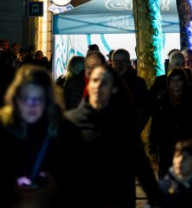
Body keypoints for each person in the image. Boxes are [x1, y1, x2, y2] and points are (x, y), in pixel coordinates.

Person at [66, 64, 163, 208]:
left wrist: (156, 198)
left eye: (104, 82)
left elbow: (141, 165)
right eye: (95, 80)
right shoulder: (72, 122)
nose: (98, 86)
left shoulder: (123, 124)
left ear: (113, 89)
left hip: (117, 198)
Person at [0, 65, 84, 207]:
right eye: (26, 99)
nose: (31, 106)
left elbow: (77, 184)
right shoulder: (4, 129)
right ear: (16, 99)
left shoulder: (65, 133)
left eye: (38, 99)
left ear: (48, 101)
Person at [149, 68, 192, 175]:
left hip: (187, 147)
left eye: (179, 80)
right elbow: (155, 124)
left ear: (184, 82)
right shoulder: (162, 99)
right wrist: (153, 147)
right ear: (169, 83)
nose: (176, 84)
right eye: (173, 81)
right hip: (166, 147)